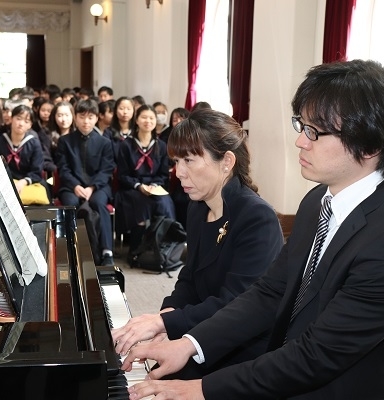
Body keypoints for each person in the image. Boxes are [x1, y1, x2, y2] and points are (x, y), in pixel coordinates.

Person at [120, 59, 384, 400]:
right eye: (302, 125)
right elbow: (270, 292)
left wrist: (200, 389)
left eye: (315, 132)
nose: (300, 141)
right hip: (289, 367)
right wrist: (189, 343)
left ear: (370, 145)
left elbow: (317, 356)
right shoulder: (317, 201)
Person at [112, 107, 284, 368]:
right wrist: (166, 316)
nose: (179, 172)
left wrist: (165, 323)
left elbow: (236, 304)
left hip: (238, 351)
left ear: (226, 162)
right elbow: (190, 277)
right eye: (176, 162)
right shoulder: (198, 207)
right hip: (200, 331)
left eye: (189, 161)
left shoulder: (257, 218)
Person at [55, 98, 116, 266]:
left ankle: (106, 251)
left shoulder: (105, 143)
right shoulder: (65, 141)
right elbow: (63, 169)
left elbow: (106, 169)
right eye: (82, 117)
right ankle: (69, 249)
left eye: (90, 117)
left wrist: (92, 187)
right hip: (71, 186)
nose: (86, 121)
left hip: (98, 187)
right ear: (75, 117)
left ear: (97, 118)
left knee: (99, 204)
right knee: (70, 204)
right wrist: (75, 186)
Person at [114, 104, 177, 260]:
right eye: (144, 117)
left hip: (154, 187)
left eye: (151, 118)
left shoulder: (161, 146)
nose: (148, 121)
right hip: (132, 188)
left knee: (165, 203)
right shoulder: (126, 145)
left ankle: (162, 252)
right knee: (140, 204)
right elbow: (122, 174)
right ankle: (135, 251)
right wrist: (139, 186)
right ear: (136, 120)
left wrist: (153, 186)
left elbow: (163, 174)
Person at [0, 104, 51, 205]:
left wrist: (23, 182)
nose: (21, 124)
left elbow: (37, 171)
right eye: (18, 118)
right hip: (6, 183)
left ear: (30, 125)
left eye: (26, 121)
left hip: (29, 182)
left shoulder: (34, 143)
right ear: (11, 119)